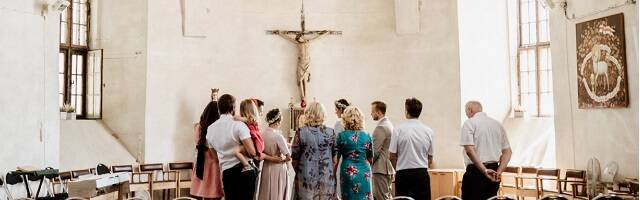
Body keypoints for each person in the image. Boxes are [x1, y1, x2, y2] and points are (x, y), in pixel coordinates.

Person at [207, 94, 258, 200]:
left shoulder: (210, 129)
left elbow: (215, 158)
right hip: (244, 171)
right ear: (233, 108)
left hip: (227, 173)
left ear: (219, 109)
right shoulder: (238, 125)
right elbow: (252, 152)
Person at [460, 101, 512, 200]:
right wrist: (499, 171)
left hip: (476, 171)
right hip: (494, 172)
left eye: (466, 111)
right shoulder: (497, 124)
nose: (466, 114)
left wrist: (484, 171)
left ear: (469, 110)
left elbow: (469, 150)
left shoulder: (469, 123)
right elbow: (508, 152)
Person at [389, 98, 434, 200]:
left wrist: (398, 169)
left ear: (406, 111)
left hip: (403, 174)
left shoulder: (398, 129)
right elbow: (430, 158)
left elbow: (392, 156)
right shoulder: (428, 131)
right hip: (421, 174)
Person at [291, 102, 337, 200]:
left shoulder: (301, 132)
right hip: (326, 176)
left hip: (306, 176)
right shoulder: (331, 132)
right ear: (323, 114)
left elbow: (294, 157)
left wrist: (299, 171)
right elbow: (334, 159)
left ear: (308, 113)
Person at [334, 106, 374, 200]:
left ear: (345, 120)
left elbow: (335, 160)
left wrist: (333, 176)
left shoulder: (341, 136)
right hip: (364, 172)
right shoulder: (367, 136)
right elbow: (371, 159)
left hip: (347, 172)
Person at [190, 100, 224, 200]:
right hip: (213, 164)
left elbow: (197, 143)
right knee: (214, 195)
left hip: (201, 163)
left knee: (202, 193)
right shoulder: (215, 129)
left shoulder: (198, 127)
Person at [258, 108, 294, 200]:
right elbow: (289, 157)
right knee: (278, 193)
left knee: (266, 192)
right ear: (277, 122)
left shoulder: (262, 134)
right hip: (278, 169)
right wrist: (283, 159)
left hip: (266, 167)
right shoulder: (278, 136)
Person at [370, 101, 394, 200]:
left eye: (372, 111)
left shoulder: (381, 127)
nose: (371, 114)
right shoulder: (389, 124)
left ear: (379, 112)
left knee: (382, 198)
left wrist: (367, 164)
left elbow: (375, 152)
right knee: (387, 196)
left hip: (380, 169)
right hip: (387, 168)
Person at [233, 99, 264, 172]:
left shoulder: (248, 119)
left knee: (235, 151)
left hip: (253, 143)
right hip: (256, 143)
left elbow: (235, 117)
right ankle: (253, 166)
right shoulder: (254, 119)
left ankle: (247, 166)